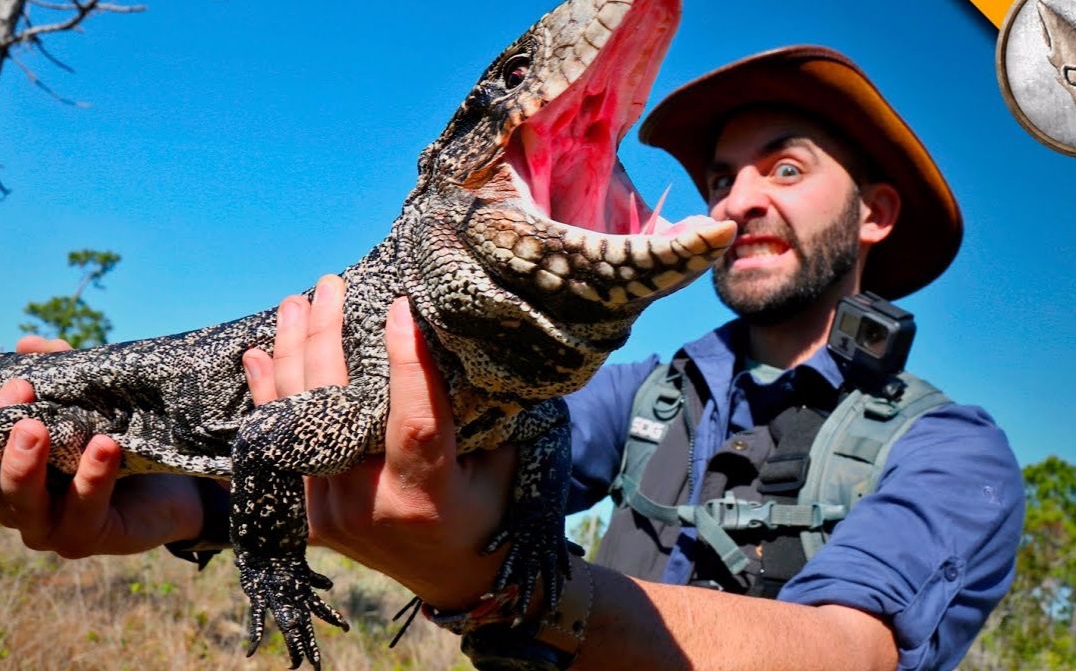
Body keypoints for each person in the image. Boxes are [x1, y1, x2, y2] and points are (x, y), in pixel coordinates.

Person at [0, 46, 1024, 671]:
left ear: (875, 215)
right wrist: (171, 499)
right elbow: (422, 447)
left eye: (786, 167)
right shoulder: (647, 393)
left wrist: (509, 593)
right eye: (721, 174)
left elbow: (848, 655)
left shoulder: (950, 451)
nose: (738, 198)